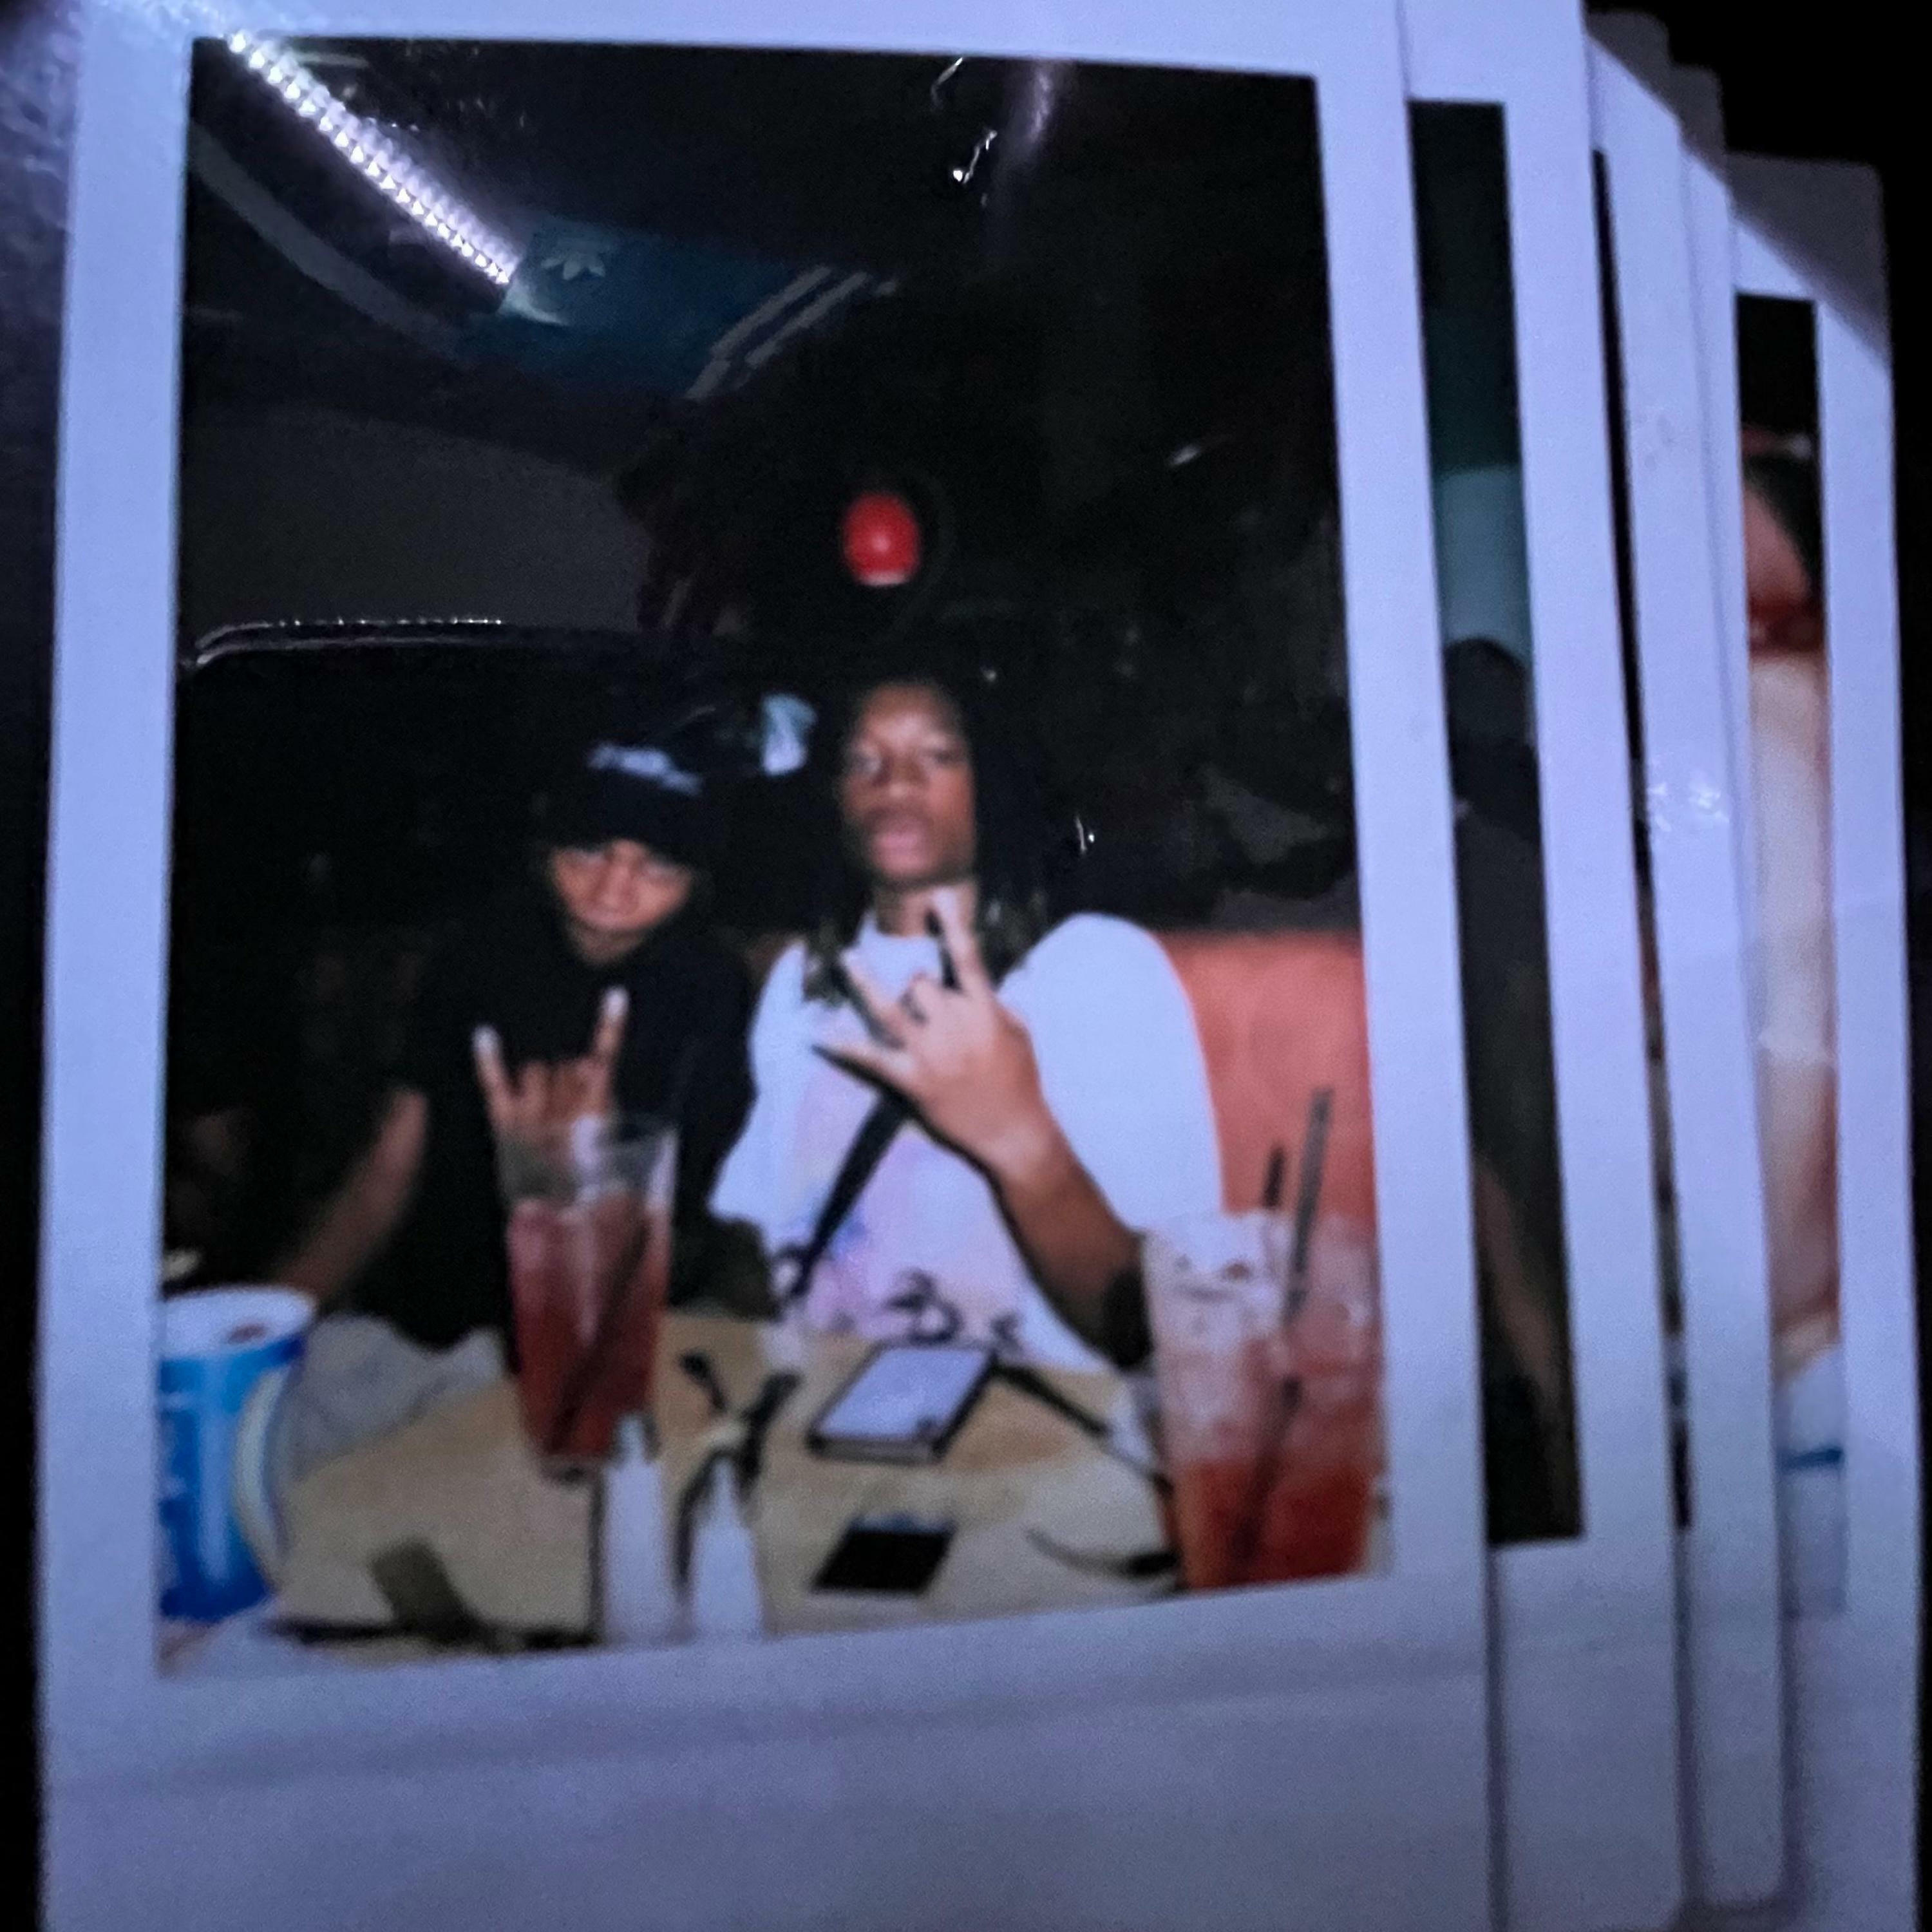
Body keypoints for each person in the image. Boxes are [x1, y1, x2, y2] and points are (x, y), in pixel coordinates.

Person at [710, 667, 1222, 1371]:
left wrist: (1022, 1140)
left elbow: (1165, 1326)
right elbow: (752, 1234)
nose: (895, 782)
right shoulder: (801, 980)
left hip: (1036, 1417)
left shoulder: (1091, 970)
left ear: (992, 784)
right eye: (864, 761)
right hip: (819, 1404)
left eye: (937, 755)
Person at [275, 717, 755, 1437]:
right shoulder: (481, 952)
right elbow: (386, 1168)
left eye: (657, 865)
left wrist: (579, 1178)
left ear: (696, 882)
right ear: (548, 847)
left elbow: (685, 1233)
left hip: (586, 1336)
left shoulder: (708, 990)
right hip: (418, 1323)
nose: (613, 888)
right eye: (590, 849)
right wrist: (268, 1325)